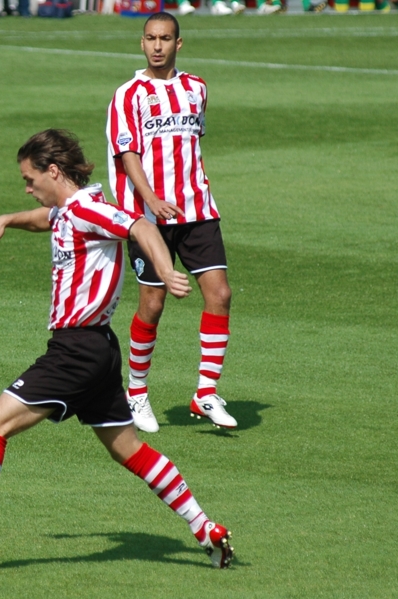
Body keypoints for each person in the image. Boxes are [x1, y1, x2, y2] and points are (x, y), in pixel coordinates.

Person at [0, 129, 234, 570]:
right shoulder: (66, 211)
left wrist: (167, 270)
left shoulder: (89, 208)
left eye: (29, 179)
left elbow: (142, 226)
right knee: (128, 448)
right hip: (99, 350)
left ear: (53, 171)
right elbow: (44, 220)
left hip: (76, 350)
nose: (27, 187)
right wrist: (6, 219)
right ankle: (204, 528)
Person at [106, 12, 237, 433]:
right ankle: (137, 392)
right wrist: (152, 199)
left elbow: (191, 145)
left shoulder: (197, 89)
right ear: (141, 42)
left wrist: (180, 195)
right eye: (150, 38)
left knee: (220, 294)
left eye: (165, 38)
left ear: (178, 44)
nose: (157, 45)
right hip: (147, 217)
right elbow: (128, 155)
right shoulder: (128, 94)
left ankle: (206, 392)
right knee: (153, 303)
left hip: (198, 210)